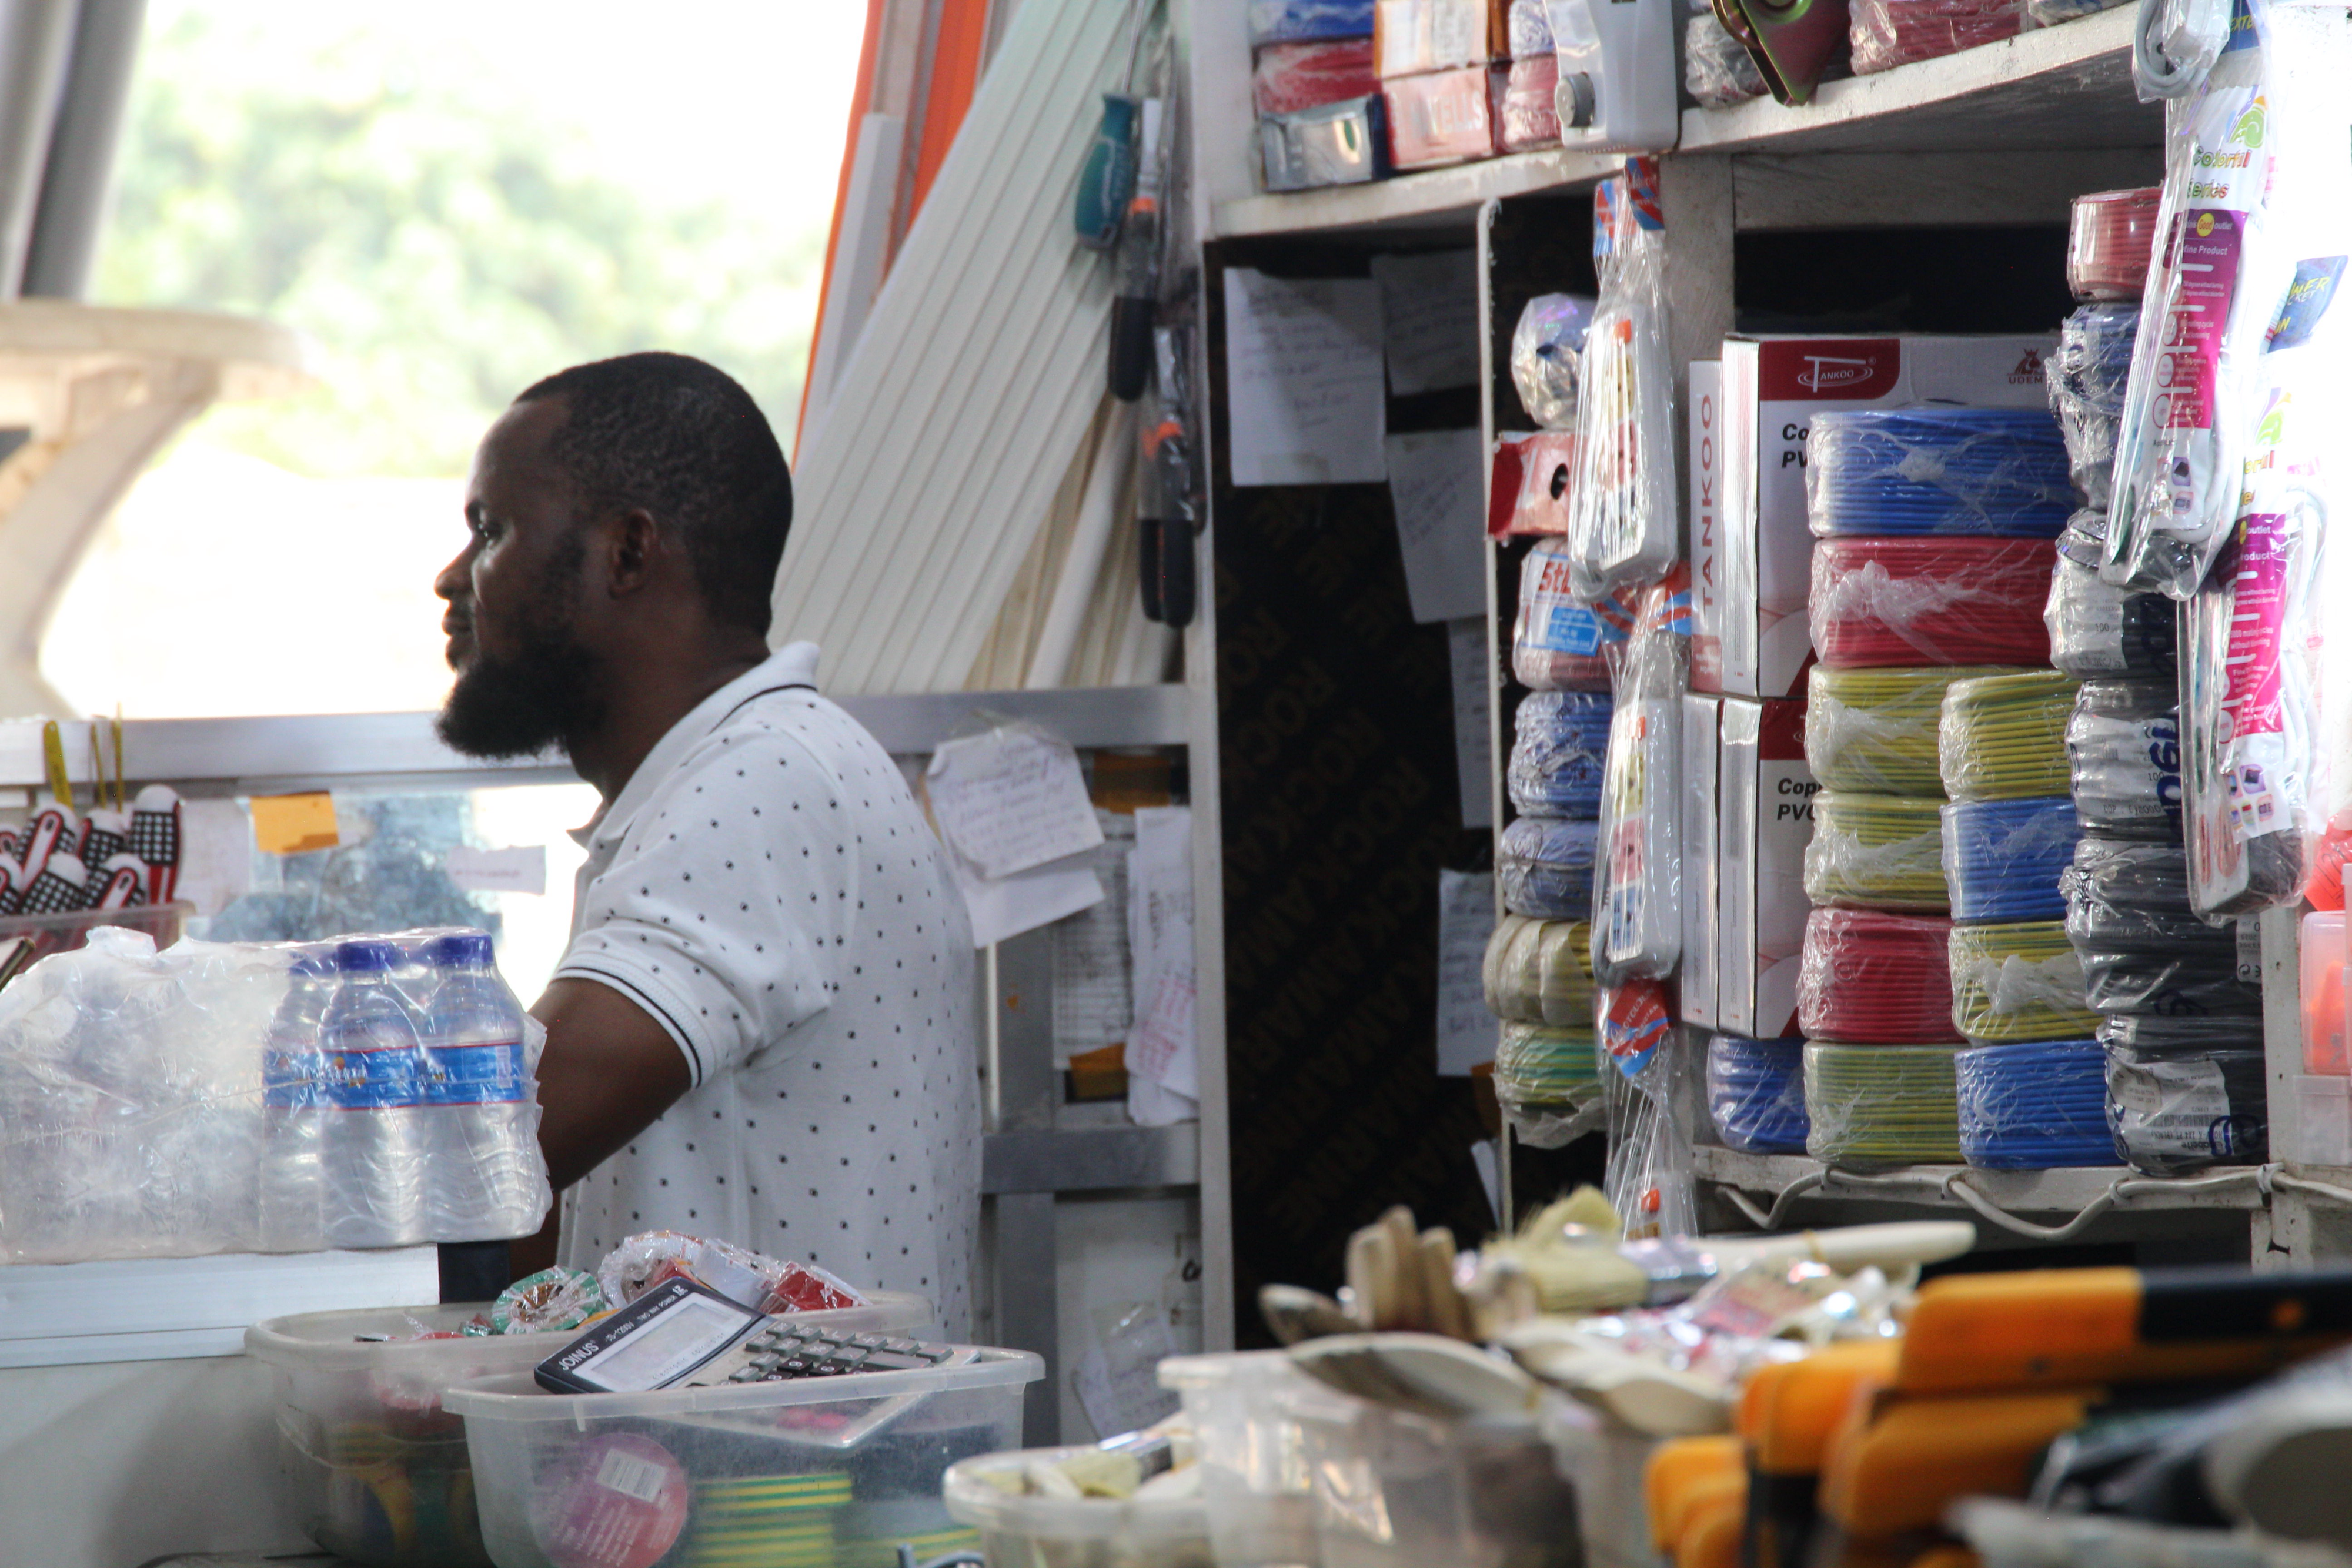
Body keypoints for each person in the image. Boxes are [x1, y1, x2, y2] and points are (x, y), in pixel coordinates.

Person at [432, 351, 980, 1335]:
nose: (452, 577)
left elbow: (495, 1144)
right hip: (752, 1468)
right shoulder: (736, 774)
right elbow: (536, 1206)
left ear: (629, 554)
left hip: (795, 1477)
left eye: (491, 530)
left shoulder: (760, 784)